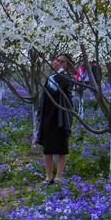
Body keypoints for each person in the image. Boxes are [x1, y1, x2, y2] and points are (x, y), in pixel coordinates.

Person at [35, 54, 74, 185]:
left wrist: (60, 70)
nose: (59, 63)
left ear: (67, 65)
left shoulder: (67, 77)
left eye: (62, 62)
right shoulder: (50, 78)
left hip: (61, 118)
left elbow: (60, 87)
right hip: (48, 117)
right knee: (48, 148)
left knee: (62, 148)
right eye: (57, 60)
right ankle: (48, 176)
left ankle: (58, 176)